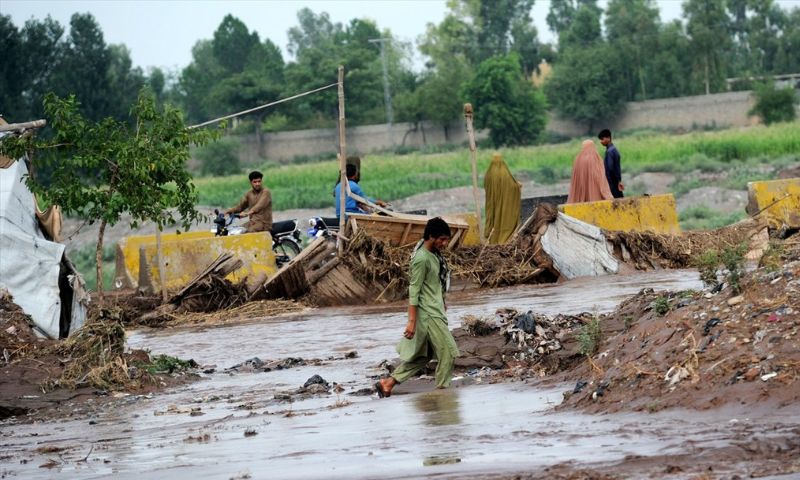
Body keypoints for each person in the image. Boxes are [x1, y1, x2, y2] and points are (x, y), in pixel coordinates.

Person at [375, 217, 459, 398]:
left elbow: (435, 283)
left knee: (423, 356)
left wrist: (442, 301)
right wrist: (411, 322)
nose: (445, 243)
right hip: (429, 315)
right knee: (449, 352)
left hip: (435, 310)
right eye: (442, 239)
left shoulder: (434, 255)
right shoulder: (421, 258)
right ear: (431, 236)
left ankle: (388, 383)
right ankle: (443, 394)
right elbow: (414, 290)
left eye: (446, 239)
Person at [484, 153, 521, 244]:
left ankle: (493, 238)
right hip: (505, 203)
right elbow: (513, 186)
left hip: (493, 203)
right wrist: (518, 185)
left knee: (494, 218)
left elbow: (486, 186)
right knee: (505, 217)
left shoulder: (488, 175)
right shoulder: (505, 174)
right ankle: (504, 238)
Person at [566, 139, 614, 204]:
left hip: (580, 193)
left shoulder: (577, 159)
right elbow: (600, 177)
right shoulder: (595, 158)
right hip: (595, 196)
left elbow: (575, 179)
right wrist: (606, 194)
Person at [598, 129, 624, 198]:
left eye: (602, 139)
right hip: (616, 180)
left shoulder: (609, 152)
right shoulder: (614, 149)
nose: (601, 142)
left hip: (611, 182)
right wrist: (619, 180)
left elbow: (610, 168)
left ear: (608, 138)